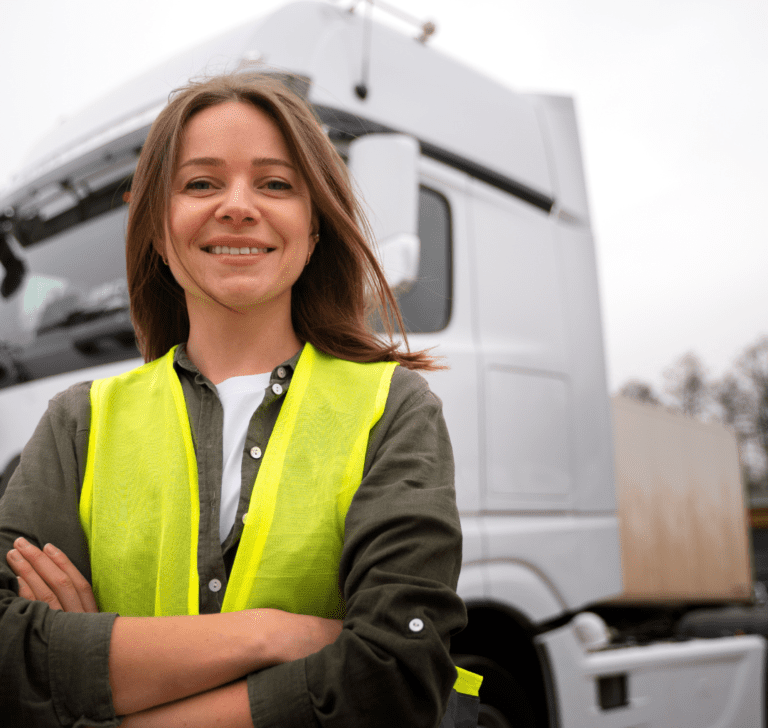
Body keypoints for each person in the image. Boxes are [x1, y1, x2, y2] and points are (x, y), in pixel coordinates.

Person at [0, 71, 474, 727]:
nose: (238, 205)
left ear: (313, 231)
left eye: (276, 183)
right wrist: (272, 635)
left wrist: (100, 678)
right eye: (201, 183)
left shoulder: (393, 407)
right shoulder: (77, 422)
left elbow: (395, 671)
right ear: (161, 233)